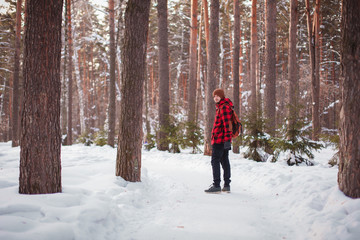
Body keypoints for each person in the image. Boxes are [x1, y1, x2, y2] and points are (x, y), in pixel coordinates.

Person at [205, 88, 233, 193]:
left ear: (222, 96)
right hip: (222, 139)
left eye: (217, 96)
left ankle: (216, 185)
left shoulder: (224, 107)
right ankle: (226, 185)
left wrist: (227, 140)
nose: (215, 98)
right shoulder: (222, 106)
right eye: (214, 96)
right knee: (225, 161)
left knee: (215, 161)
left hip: (220, 140)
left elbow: (227, 125)